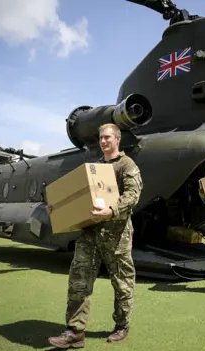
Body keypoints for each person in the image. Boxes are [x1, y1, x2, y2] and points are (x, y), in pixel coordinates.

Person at [47, 123, 143, 348]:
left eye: (107, 137)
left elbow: (133, 195)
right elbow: (77, 197)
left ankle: (122, 326)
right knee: (79, 282)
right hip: (90, 234)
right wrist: (58, 207)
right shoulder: (94, 168)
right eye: (101, 138)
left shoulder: (127, 165)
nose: (103, 142)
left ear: (117, 139)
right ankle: (75, 332)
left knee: (122, 284)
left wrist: (111, 211)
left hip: (117, 236)